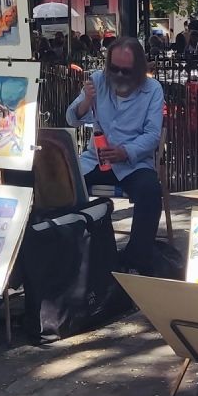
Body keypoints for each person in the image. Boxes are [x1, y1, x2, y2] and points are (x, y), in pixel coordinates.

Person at [66, 36, 163, 274]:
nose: (118, 75)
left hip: (133, 163)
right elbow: (71, 118)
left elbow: (153, 135)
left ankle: (135, 261)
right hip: (96, 160)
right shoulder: (98, 81)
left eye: (125, 71)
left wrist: (125, 151)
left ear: (139, 69)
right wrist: (86, 101)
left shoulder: (152, 90)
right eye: (114, 69)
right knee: (63, 186)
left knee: (150, 191)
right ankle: (72, 254)